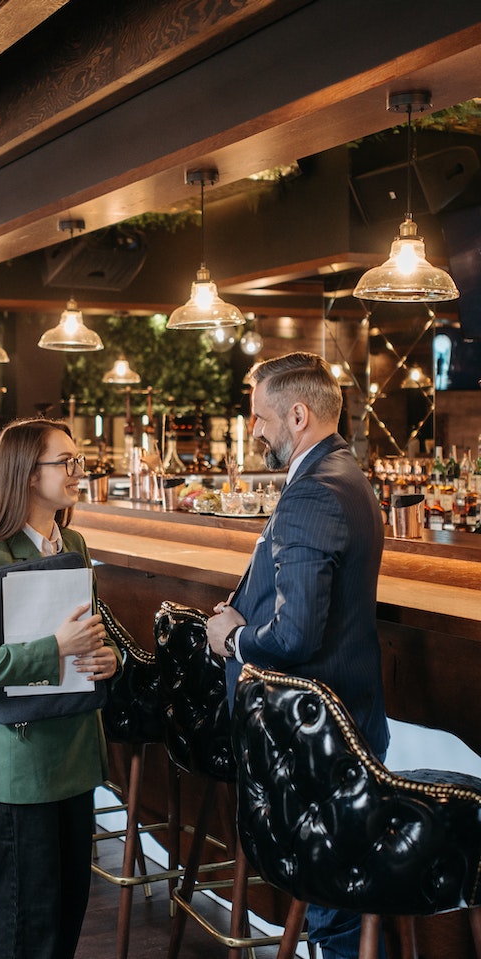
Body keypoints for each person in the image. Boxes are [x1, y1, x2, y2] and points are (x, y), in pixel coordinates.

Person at [206, 352, 389, 959]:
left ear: (299, 415)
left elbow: (295, 636)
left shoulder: (314, 492)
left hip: (321, 734)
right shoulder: (344, 474)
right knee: (339, 896)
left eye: (260, 417)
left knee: (333, 907)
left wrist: (234, 638)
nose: (254, 430)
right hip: (344, 720)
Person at [0, 417, 120, 959]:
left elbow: (89, 634)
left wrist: (106, 657)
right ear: (26, 474)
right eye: (65, 462)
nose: (78, 471)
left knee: (67, 917)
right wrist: (56, 647)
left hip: (75, 760)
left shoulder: (74, 542)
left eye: (78, 460)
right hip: (22, 771)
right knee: (24, 925)